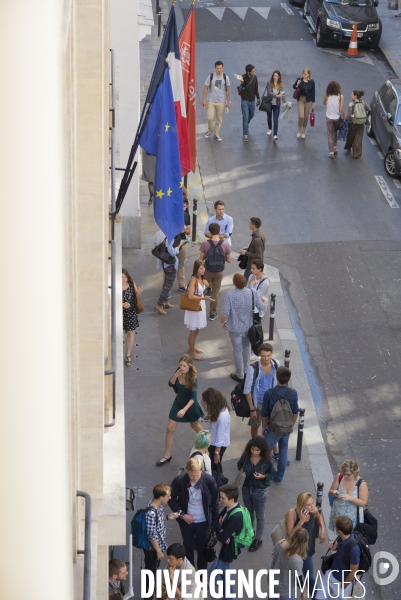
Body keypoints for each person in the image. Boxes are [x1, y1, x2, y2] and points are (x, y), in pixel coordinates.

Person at [168, 457, 220, 570]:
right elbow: (170, 499)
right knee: (187, 549)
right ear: (187, 470)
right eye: (192, 475)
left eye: (197, 475)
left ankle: (200, 579)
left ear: (201, 470)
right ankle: (190, 576)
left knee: (202, 551)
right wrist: (182, 515)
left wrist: (214, 522)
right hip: (186, 522)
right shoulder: (179, 480)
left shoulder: (209, 481)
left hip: (204, 522)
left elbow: (215, 503)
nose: (195, 478)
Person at [156, 355, 204, 466]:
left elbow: (193, 398)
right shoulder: (178, 372)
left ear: (189, 366)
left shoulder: (193, 378)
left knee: (195, 426)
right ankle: (167, 455)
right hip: (178, 402)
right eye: (180, 365)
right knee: (170, 428)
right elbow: (170, 384)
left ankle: (207, 441)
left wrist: (184, 410)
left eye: (184, 366)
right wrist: (175, 375)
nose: (181, 368)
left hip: (190, 406)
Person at [220, 273, 265, 383]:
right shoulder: (252, 292)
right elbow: (262, 307)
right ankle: (246, 371)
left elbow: (224, 312)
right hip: (248, 326)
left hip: (234, 328)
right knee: (246, 347)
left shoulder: (230, 294)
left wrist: (223, 323)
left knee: (237, 350)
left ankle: (239, 375)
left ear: (234, 283)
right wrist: (263, 301)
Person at [237, 436, 276, 552]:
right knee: (248, 513)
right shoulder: (246, 457)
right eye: (252, 449)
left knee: (260, 515)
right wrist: (242, 470)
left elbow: (272, 473)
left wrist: (263, 476)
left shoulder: (267, 460)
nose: (254, 452)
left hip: (260, 490)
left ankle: (258, 539)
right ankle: (251, 532)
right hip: (246, 489)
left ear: (262, 450)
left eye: (257, 450)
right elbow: (239, 464)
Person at [261, 366, 299, 484]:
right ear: (288, 379)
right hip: (287, 427)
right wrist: (291, 424)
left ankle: (263, 475)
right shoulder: (293, 393)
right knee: (283, 451)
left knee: (264, 452)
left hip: (274, 428)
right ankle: (279, 478)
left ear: (276, 377)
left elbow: (264, 413)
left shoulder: (269, 393)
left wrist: (263, 427)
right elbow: (295, 411)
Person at [207, 484, 244, 599]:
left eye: (222, 498)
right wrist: (222, 528)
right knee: (226, 575)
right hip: (223, 548)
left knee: (211, 576)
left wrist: (221, 529)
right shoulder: (229, 507)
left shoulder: (236, 516)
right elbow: (215, 521)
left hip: (226, 550)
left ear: (231, 500)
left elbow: (222, 537)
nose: (220, 500)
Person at [286, 492, 327, 593]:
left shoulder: (313, 510)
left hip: (307, 550)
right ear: (301, 505)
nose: (312, 506)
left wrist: (323, 529)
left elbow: (318, 516)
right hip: (295, 551)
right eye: (308, 505)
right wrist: (301, 522)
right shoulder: (292, 513)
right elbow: (290, 534)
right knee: (292, 577)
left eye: (313, 503)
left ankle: (315, 597)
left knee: (310, 578)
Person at [143, 484, 180, 590]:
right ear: (161, 497)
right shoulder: (151, 513)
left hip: (158, 545)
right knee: (151, 570)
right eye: (168, 496)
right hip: (153, 549)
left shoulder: (159, 506)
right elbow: (151, 534)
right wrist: (158, 551)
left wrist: (167, 517)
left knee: (153, 568)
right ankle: (149, 594)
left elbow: (157, 522)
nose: (170, 497)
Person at [315, 516, 361, 600]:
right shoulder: (341, 538)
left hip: (341, 584)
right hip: (330, 575)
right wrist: (335, 548)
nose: (334, 526)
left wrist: (342, 586)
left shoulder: (354, 549)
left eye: (335, 526)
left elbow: (353, 572)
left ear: (339, 530)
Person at [244, 342, 279, 438]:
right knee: (255, 425)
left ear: (272, 353)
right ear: (259, 354)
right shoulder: (253, 368)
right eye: (263, 356)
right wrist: (252, 409)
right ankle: (255, 443)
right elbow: (247, 389)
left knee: (270, 426)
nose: (266, 358)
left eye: (268, 355)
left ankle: (267, 447)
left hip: (272, 402)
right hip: (258, 402)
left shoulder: (276, 364)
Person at [200, 223, 231, 321]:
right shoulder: (225, 244)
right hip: (219, 272)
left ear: (209, 232)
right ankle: (212, 313)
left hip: (208, 271)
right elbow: (229, 260)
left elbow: (201, 259)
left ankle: (197, 308)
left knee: (201, 289)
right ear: (219, 232)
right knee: (215, 292)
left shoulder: (205, 243)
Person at [184, 260, 215, 359]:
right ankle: (192, 352)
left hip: (200, 305)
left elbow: (200, 291)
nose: (203, 270)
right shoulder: (193, 280)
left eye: (204, 268)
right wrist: (203, 298)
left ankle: (192, 347)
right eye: (201, 268)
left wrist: (206, 285)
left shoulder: (201, 278)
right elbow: (190, 296)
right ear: (196, 269)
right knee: (193, 330)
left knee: (196, 330)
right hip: (195, 307)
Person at [328, 459, 368, 531]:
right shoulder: (340, 477)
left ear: (355, 473)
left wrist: (350, 498)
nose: (345, 476)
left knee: (350, 539)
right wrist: (334, 492)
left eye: (348, 474)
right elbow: (330, 491)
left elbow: (363, 503)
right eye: (344, 473)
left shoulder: (361, 484)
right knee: (338, 537)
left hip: (352, 519)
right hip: (338, 514)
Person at [270, 529, 309, 600]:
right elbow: (298, 578)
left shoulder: (281, 542)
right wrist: (303, 592)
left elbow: (273, 554)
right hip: (285, 588)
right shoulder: (297, 560)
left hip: (272, 581)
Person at [154, 229, 184, 315]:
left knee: (166, 282)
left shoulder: (158, 233)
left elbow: (155, 243)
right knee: (168, 285)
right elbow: (172, 252)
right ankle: (159, 304)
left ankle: (165, 301)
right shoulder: (169, 236)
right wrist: (179, 245)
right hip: (170, 263)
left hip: (163, 261)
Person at [201, 388, 231, 474]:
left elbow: (220, 435)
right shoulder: (220, 408)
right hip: (214, 441)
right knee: (215, 464)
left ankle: (217, 483)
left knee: (215, 465)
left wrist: (217, 452)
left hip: (217, 444)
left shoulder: (222, 416)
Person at [202, 61, 231, 142]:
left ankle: (216, 134)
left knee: (219, 119)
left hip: (221, 101)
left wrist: (228, 101)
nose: (219, 70)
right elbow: (206, 87)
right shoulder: (211, 76)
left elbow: (227, 90)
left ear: (223, 68)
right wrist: (203, 99)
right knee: (209, 117)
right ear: (215, 68)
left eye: (220, 68)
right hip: (211, 100)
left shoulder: (225, 77)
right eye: (217, 68)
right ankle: (210, 129)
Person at [122, 268, 143, 367]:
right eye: (122, 277)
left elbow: (136, 294)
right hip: (119, 313)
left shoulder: (131, 283)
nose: (124, 279)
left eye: (125, 277)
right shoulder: (115, 286)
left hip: (130, 311)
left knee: (130, 332)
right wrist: (122, 304)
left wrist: (138, 292)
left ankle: (128, 354)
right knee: (119, 335)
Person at [344, 90, 371, 159]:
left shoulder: (351, 104)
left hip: (353, 123)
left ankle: (348, 147)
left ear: (355, 96)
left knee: (351, 136)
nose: (350, 95)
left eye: (352, 94)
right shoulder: (363, 102)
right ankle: (357, 153)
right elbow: (369, 109)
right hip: (361, 122)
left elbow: (350, 114)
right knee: (358, 137)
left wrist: (345, 119)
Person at [239, 64, 260, 141]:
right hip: (245, 101)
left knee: (251, 115)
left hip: (252, 100)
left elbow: (256, 88)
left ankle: (246, 123)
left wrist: (258, 97)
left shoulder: (255, 78)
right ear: (248, 72)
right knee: (245, 116)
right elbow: (241, 83)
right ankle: (245, 133)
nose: (254, 72)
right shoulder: (243, 77)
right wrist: (241, 81)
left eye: (254, 71)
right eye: (252, 71)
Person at [323, 81, 345, 159]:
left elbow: (324, 103)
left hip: (329, 117)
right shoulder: (340, 97)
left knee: (330, 134)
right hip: (337, 117)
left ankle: (331, 152)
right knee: (335, 133)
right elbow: (342, 109)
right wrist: (344, 117)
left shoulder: (326, 96)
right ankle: (335, 147)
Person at [245, 260, 270, 329]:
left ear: (259, 269)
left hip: (257, 309)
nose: (251, 270)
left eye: (253, 268)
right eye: (251, 268)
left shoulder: (265, 283)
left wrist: (251, 285)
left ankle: (259, 339)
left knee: (256, 328)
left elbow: (255, 296)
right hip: (250, 306)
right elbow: (246, 289)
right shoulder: (252, 276)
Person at [293, 68, 315, 139]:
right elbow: (294, 87)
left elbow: (313, 92)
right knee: (301, 116)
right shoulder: (299, 79)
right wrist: (297, 84)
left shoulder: (312, 82)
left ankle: (304, 130)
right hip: (301, 99)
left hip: (308, 100)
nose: (303, 75)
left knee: (305, 117)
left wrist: (313, 103)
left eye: (305, 74)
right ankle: (299, 129)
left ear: (308, 74)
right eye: (303, 73)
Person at [265, 70, 285, 141]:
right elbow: (269, 93)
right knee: (269, 118)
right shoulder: (269, 83)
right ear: (272, 76)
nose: (275, 77)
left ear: (279, 76)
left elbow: (282, 95)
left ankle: (275, 134)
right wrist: (277, 96)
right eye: (274, 76)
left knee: (276, 119)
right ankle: (270, 128)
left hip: (276, 104)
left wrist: (285, 101)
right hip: (269, 104)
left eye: (276, 76)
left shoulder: (280, 84)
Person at [177, 195, 192, 293]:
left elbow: (189, 231)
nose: (183, 208)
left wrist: (183, 230)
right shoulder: (172, 215)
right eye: (181, 206)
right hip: (172, 243)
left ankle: (181, 284)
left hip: (183, 243)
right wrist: (181, 229)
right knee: (169, 265)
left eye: (184, 207)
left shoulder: (187, 216)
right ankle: (166, 287)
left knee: (181, 265)